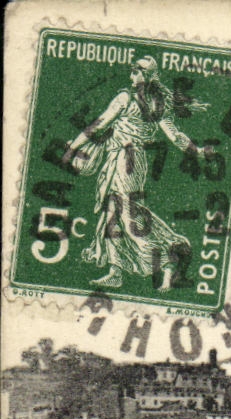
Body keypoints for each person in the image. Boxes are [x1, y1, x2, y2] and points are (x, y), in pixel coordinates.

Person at [61, 56, 213, 289]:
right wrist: (198, 151)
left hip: (125, 159)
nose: (131, 74)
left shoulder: (126, 98)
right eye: (132, 70)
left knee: (127, 215)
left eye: (136, 70)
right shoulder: (157, 103)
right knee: (112, 213)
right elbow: (175, 137)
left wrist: (72, 148)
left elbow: (99, 124)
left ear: (148, 75)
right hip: (131, 160)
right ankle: (116, 271)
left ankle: (169, 257)